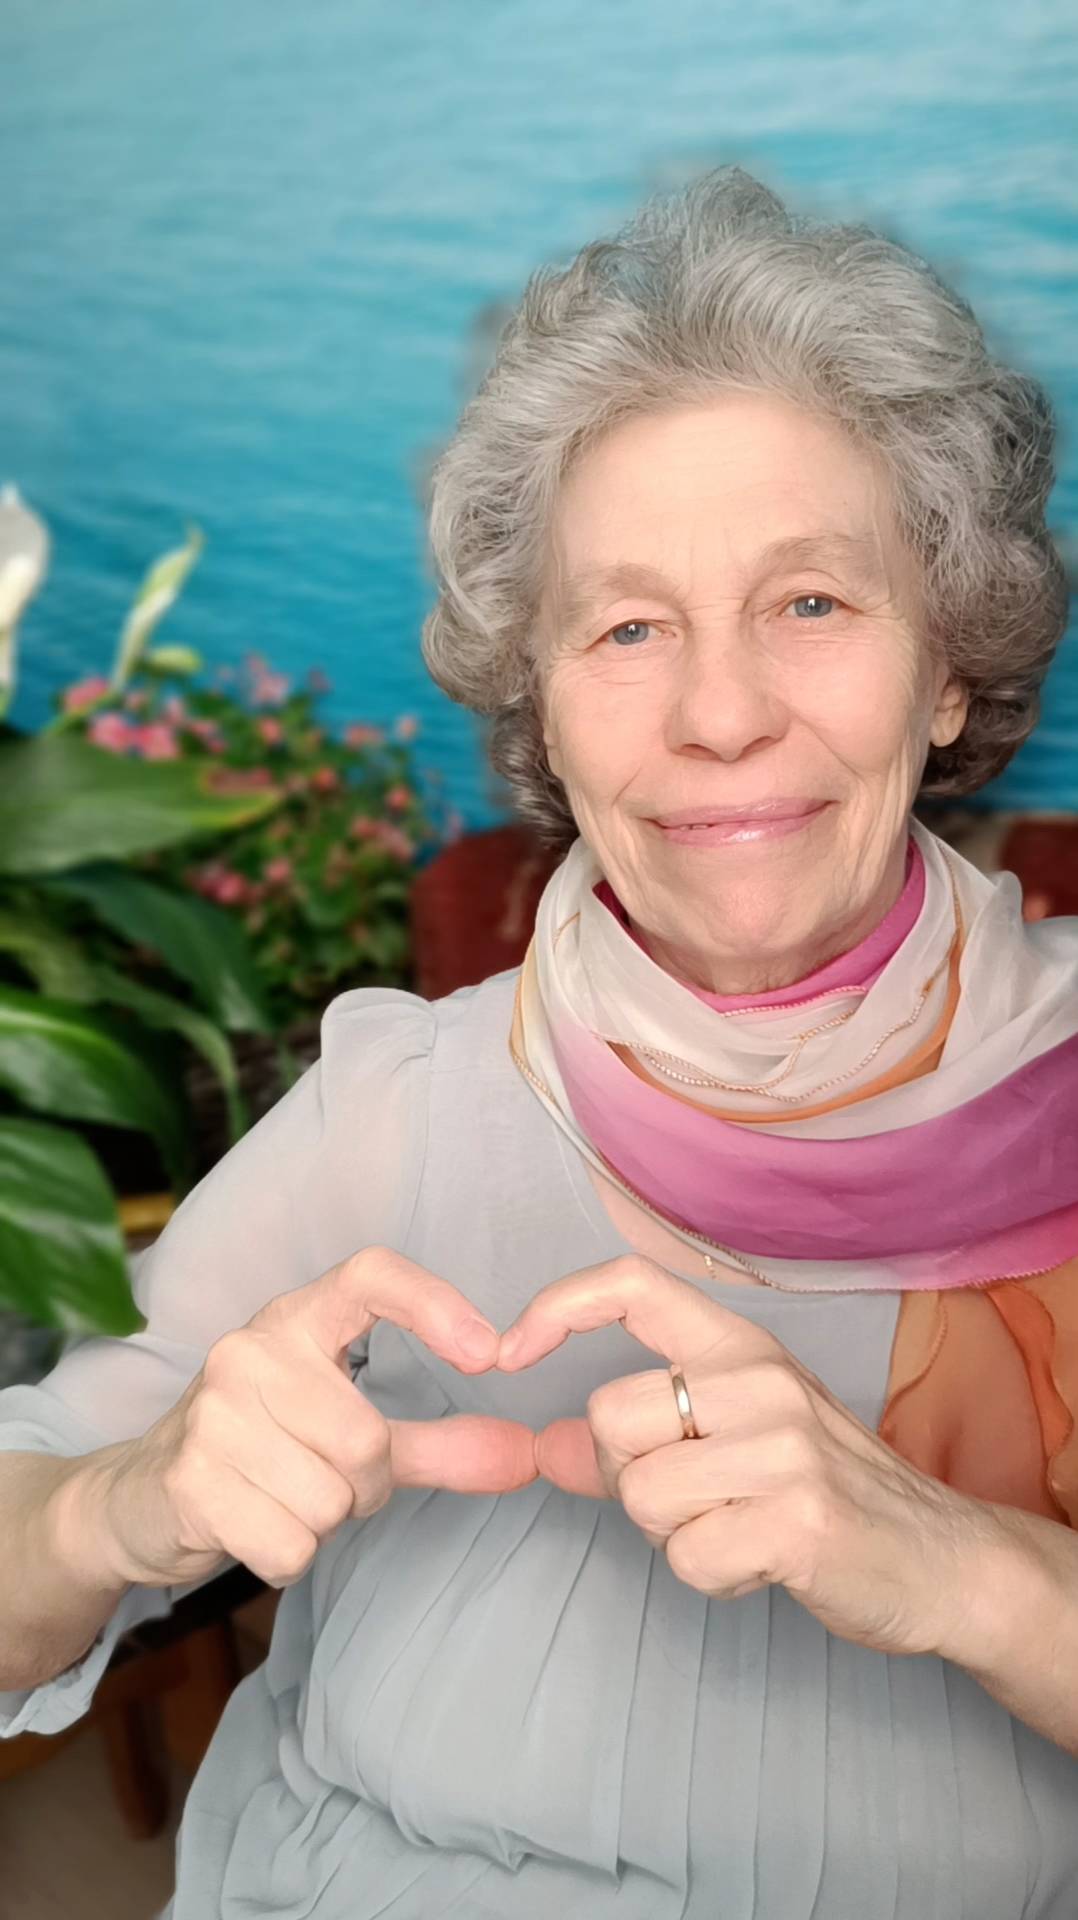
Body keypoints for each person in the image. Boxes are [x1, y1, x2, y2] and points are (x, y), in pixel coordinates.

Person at [2, 164, 1077, 1919]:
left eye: (811, 602)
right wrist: (110, 1507)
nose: (719, 713)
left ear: (946, 668)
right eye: (627, 627)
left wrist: (962, 1567)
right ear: (545, 714)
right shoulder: (397, 1102)